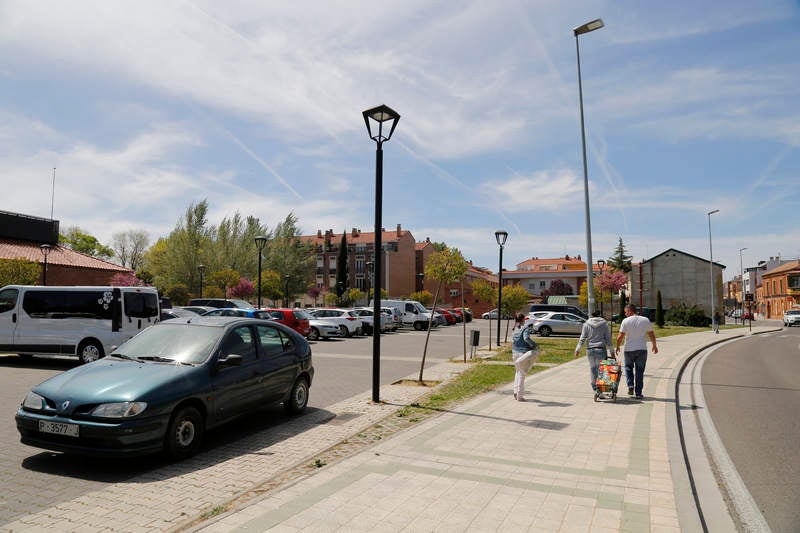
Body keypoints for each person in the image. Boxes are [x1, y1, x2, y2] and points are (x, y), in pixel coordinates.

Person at [615, 303, 658, 399]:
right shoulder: (645, 320)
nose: (625, 314)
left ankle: (630, 385)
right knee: (639, 371)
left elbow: (620, 336)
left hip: (629, 350)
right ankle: (638, 393)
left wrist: (617, 346)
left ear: (630, 311)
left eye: (626, 312)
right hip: (642, 349)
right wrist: (654, 345)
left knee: (628, 368)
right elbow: (651, 334)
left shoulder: (625, 321)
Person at [574, 310, 613, 392]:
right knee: (602, 369)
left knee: (592, 368)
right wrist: (612, 352)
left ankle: (594, 387)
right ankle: (601, 388)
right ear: (600, 315)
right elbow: (608, 339)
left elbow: (582, 338)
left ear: (592, 315)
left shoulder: (586, 324)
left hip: (590, 350)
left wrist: (578, 349)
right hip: (601, 349)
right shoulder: (604, 324)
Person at [511, 313, 539, 401]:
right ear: (523, 319)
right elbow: (526, 338)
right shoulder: (525, 328)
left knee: (517, 372)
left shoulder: (514, 328)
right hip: (523, 353)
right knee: (522, 374)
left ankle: (515, 392)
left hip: (514, 353)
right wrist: (534, 345)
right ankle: (520, 395)